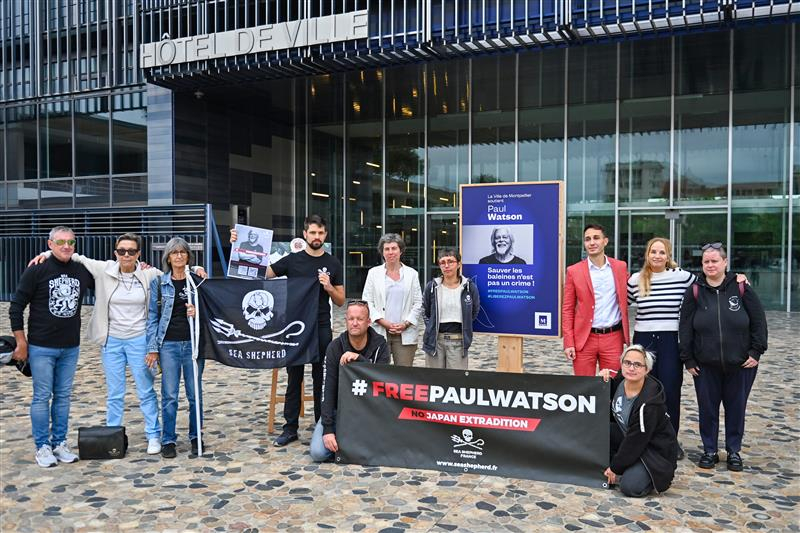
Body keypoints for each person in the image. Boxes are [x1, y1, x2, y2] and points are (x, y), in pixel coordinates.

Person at [28, 233, 206, 456]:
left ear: (138, 254)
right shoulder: (105, 270)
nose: (126, 255)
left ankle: (154, 435)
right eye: (122, 250)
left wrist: (197, 267)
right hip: (112, 340)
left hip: (139, 340)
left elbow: (177, 270)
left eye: (131, 251)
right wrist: (46, 253)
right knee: (115, 392)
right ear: (116, 253)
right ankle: (113, 436)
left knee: (145, 390)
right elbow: (78, 257)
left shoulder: (149, 274)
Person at [234, 214, 344, 447]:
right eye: (312, 232)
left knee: (321, 378)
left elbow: (341, 300)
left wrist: (328, 286)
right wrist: (238, 248)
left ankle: (322, 426)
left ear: (325, 235)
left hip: (321, 327)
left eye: (320, 233)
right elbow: (261, 273)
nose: (316, 237)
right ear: (304, 234)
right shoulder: (292, 260)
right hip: (294, 327)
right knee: (294, 378)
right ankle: (290, 428)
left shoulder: (333, 263)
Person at [9, 226, 94, 467]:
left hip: (70, 346)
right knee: (42, 396)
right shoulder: (37, 269)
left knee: (63, 397)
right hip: (41, 346)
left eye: (71, 242)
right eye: (60, 242)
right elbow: (16, 307)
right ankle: (42, 446)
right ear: (50, 244)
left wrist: (143, 268)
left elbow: (111, 277)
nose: (66, 246)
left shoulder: (81, 270)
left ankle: (59, 443)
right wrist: (21, 342)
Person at [679, 242, 767, 472]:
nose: (710, 265)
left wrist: (756, 351)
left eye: (715, 261)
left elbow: (758, 321)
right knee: (707, 409)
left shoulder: (741, 288)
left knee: (736, 408)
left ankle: (733, 451)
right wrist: (688, 358)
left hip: (741, 364)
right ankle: (709, 450)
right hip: (705, 365)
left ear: (725, 262)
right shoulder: (695, 291)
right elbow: (685, 326)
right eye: (706, 261)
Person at [626, 237, 694, 459]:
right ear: (647, 254)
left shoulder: (682, 277)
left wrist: (738, 278)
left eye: (661, 252)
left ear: (668, 256)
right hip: (644, 340)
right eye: (653, 251)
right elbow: (619, 302)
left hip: (670, 340)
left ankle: (670, 441)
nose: (657, 256)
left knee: (670, 392)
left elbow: (710, 283)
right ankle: (644, 439)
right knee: (644, 391)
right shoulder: (635, 280)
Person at [146, 237, 206, 459]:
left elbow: (210, 311)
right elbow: (153, 317)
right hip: (168, 345)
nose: (179, 256)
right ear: (168, 258)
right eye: (174, 253)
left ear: (188, 256)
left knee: (194, 394)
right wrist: (153, 348)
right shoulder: (160, 283)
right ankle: (168, 439)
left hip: (193, 344)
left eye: (183, 252)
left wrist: (196, 312)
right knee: (170, 395)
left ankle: (195, 436)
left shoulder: (197, 281)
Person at [310, 300, 389, 462]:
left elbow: (382, 382)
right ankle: (345, 440)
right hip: (340, 411)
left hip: (369, 411)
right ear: (345, 320)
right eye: (351, 318)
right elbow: (327, 390)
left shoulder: (380, 345)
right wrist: (328, 430)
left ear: (369, 322)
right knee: (318, 453)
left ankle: (352, 441)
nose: (354, 323)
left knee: (384, 448)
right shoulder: (334, 348)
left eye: (360, 319)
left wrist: (360, 360)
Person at [599, 345, 678, 497]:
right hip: (629, 438)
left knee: (630, 487)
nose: (631, 368)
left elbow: (636, 441)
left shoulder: (649, 403)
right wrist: (603, 380)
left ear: (647, 369)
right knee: (601, 429)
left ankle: (647, 474)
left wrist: (615, 468)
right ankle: (627, 464)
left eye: (638, 365)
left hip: (652, 451)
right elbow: (606, 404)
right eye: (627, 363)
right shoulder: (621, 380)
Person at [563, 224, 630, 376]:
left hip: (613, 338)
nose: (592, 242)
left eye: (596, 238)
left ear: (605, 241)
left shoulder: (620, 267)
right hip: (584, 339)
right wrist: (569, 342)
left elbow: (634, 289)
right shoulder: (573, 271)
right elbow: (567, 309)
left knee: (613, 386)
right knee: (584, 388)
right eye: (587, 239)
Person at [361, 233, 423, 367]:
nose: (391, 252)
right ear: (382, 252)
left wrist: (405, 324)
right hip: (379, 330)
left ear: (401, 250)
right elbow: (367, 302)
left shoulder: (412, 274)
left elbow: (418, 303)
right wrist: (383, 322)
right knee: (379, 373)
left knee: (403, 376)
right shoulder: (373, 273)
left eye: (394, 248)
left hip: (405, 333)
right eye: (387, 249)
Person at [422, 248, 480, 370]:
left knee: (456, 382)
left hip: (458, 342)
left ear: (458, 264)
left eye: (450, 261)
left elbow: (474, 312)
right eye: (442, 262)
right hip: (435, 342)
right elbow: (426, 311)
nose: (446, 266)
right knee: (433, 382)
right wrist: (431, 327)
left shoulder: (469, 287)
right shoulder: (432, 287)